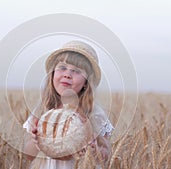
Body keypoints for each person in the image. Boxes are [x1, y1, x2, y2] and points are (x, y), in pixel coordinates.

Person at [23, 40, 114, 168]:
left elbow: (106, 155)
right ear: (53, 74)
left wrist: (94, 150)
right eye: (62, 68)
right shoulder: (42, 110)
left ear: (86, 82)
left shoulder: (95, 113)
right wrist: (35, 141)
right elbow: (29, 155)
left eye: (77, 71)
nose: (67, 74)